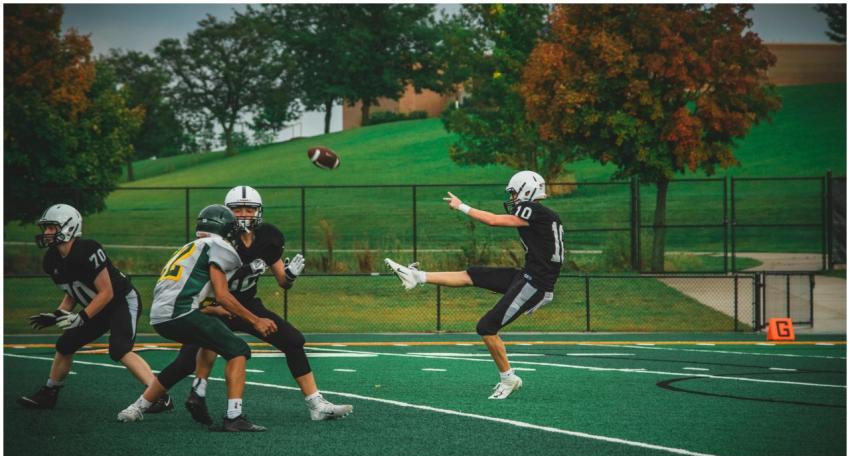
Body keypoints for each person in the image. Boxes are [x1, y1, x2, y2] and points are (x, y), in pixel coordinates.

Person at [154, 186, 352, 425]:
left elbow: (283, 282)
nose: (245, 214)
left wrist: (290, 275)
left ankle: (316, 404)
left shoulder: (269, 237)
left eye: (250, 209)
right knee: (186, 362)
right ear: (227, 212)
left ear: (259, 211)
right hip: (215, 305)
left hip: (247, 304)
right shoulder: (221, 239)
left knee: (293, 341)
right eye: (238, 209)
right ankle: (147, 402)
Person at [385, 171, 563, 399]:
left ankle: (508, 378)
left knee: (486, 327)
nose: (512, 198)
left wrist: (461, 206)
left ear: (527, 190)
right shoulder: (546, 215)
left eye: (514, 193)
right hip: (528, 276)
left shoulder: (534, 210)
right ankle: (416, 277)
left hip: (535, 283)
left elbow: (493, 220)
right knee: (473, 274)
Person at [116, 204, 277, 432]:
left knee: (187, 360)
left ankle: (137, 408)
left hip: (160, 316)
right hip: (181, 312)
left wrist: (214, 310)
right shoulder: (219, 246)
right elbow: (222, 294)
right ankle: (234, 416)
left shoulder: (189, 247)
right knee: (238, 350)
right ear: (226, 229)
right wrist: (255, 320)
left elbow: (191, 290)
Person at [18, 204, 169, 412]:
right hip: (97, 307)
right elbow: (72, 292)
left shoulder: (87, 250)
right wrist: (56, 314)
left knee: (119, 349)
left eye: (52, 227)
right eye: (46, 228)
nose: (46, 233)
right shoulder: (51, 259)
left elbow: (107, 292)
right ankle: (49, 393)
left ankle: (159, 396)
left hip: (121, 301)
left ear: (69, 227)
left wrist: (81, 317)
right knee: (65, 344)